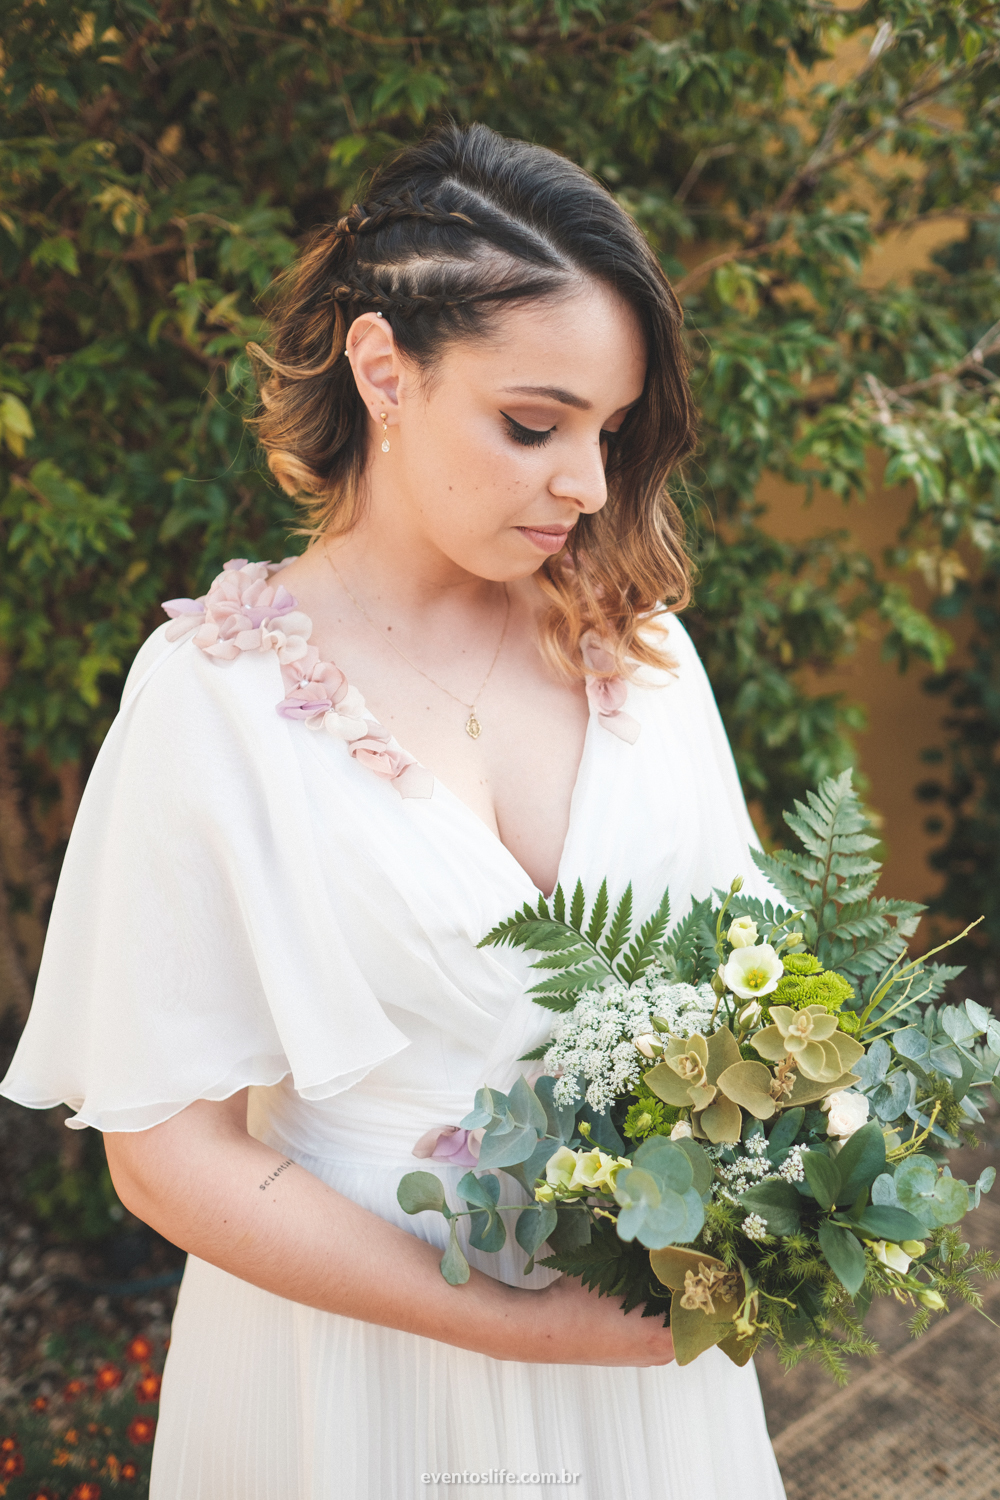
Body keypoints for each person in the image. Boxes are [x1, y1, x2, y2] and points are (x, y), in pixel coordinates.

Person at [0, 123, 786, 1499]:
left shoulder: (645, 656)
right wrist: (517, 1328)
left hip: (644, 1383)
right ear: (384, 371)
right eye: (534, 426)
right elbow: (168, 1153)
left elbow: (761, 996)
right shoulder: (215, 699)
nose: (588, 487)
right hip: (352, 1390)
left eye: (608, 433)